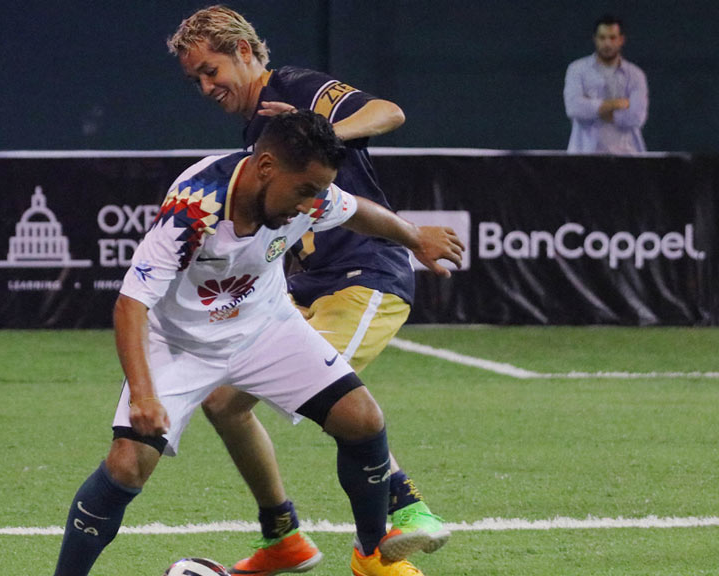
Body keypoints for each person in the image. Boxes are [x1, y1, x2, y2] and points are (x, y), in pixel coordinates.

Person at [53, 110, 464, 576]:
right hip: (179, 343)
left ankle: (371, 554)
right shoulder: (196, 208)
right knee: (127, 466)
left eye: (318, 191)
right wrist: (144, 394)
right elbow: (131, 304)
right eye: (304, 190)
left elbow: (355, 211)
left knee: (362, 420)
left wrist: (414, 238)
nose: (311, 204)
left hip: (265, 326)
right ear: (266, 167)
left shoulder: (309, 194)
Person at [167, 6, 451, 573]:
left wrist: (317, 135)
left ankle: (400, 517)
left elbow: (387, 112)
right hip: (301, 286)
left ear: (244, 52)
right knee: (224, 401)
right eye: (194, 78)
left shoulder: (293, 87)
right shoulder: (255, 128)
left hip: (365, 276)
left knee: (327, 394)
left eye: (210, 69)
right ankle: (284, 537)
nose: (204, 86)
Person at [564, 14, 648, 154]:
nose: (607, 43)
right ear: (595, 39)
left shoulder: (635, 75)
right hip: (585, 154)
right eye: (602, 38)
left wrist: (592, 108)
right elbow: (574, 108)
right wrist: (616, 104)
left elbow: (636, 117)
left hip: (626, 154)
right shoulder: (577, 69)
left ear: (621, 40)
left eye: (612, 38)